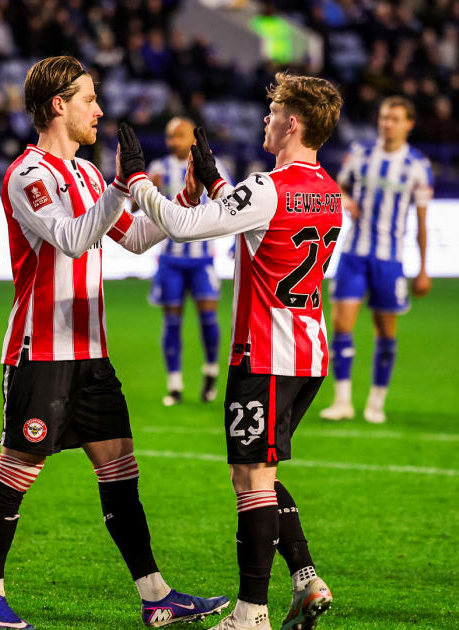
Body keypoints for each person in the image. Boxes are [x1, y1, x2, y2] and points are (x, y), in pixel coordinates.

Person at [0, 55, 228, 630]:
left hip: (91, 354)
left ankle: (156, 595)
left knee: (120, 470)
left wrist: (184, 202)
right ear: (58, 105)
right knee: (18, 468)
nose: (101, 109)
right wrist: (120, 187)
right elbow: (70, 238)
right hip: (42, 351)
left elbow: (137, 238)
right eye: (90, 98)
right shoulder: (28, 175)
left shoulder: (89, 175)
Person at [120, 70, 342, 630]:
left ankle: (251, 613)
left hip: (265, 354)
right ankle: (305, 577)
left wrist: (138, 179)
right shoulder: (329, 192)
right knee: (261, 472)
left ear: (292, 123)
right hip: (307, 352)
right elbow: (264, 228)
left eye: (272, 113)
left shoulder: (269, 186)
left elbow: (183, 224)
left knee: (250, 480)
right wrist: (219, 183)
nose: (265, 120)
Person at [318, 96, 432, 423]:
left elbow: (422, 221)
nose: (387, 124)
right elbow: (335, 186)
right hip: (354, 252)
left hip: (390, 259)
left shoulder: (417, 166)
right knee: (341, 324)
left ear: (409, 124)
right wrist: (346, 198)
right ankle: (342, 401)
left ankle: (376, 403)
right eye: (384, 117)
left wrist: (423, 268)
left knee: (385, 331)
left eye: (395, 118)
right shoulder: (360, 153)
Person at [146, 116, 232, 405]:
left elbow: (232, 203)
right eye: (170, 137)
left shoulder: (212, 167)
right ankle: (174, 385)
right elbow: (136, 206)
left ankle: (209, 374)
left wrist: (234, 242)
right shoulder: (158, 168)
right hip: (170, 260)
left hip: (201, 259)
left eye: (179, 136)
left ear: (193, 140)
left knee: (208, 319)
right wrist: (149, 190)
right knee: (171, 323)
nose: (174, 142)